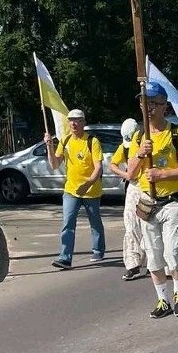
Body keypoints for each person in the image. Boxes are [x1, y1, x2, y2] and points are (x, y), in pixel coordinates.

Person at [126, 81, 178, 318]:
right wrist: (140, 153)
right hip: (148, 203)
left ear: (163, 106)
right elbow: (130, 173)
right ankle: (162, 300)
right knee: (154, 254)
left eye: (152, 103)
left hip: (173, 202)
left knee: (173, 252)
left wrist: (164, 174)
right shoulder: (139, 136)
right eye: (143, 102)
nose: (147, 108)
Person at [45, 109, 106, 269]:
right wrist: (50, 147)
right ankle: (65, 257)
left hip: (91, 190)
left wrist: (87, 184)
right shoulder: (65, 141)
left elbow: (98, 168)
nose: (73, 123)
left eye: (77, 120)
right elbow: (54, 164)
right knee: (68, 223)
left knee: (95, 222)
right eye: (71, 120)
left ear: (83, 123)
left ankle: (98, 249)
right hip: (71, 190)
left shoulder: (92, 141)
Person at [109, 118, 148, 280]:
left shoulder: (146, 143)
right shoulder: (124, 148)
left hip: (148, 187)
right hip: (133, 187)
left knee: (148, 226)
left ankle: (155, 262)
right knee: (131, 225)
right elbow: (113, 164)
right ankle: (132, 264)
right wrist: (124, 175)